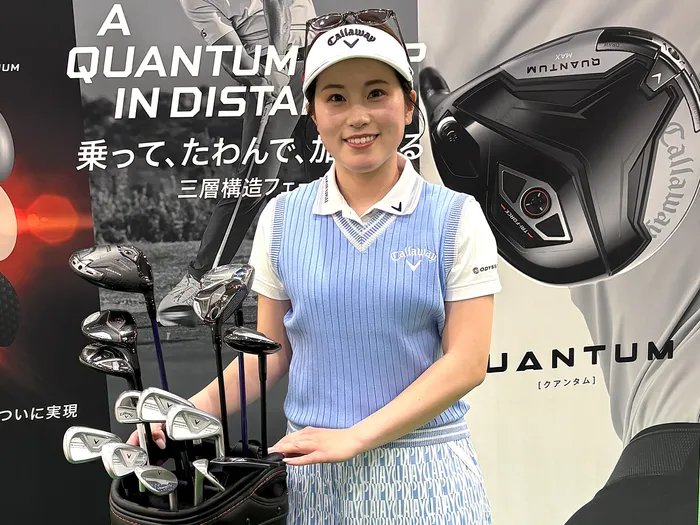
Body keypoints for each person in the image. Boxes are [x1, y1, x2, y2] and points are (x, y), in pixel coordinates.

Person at [131, 11, 501, 523]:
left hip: (429, 477)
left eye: (377, 93)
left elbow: (466, 362)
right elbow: (269, 356)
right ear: (311, 112)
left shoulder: (456, 217)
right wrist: (182, 415)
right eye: (336, 98)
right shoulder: (282, 217)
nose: (358, 117)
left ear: (409, 104)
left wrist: (357, 437)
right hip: (317, 480)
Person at [157, 0, 317, 326]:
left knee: (340, 168)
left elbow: (277, 4)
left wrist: (277, 61)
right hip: (269, 70)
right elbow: (229, 51)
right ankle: (200, 280)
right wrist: (259, 80)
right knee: (253, 183)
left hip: (320, 55)